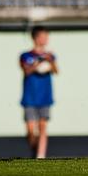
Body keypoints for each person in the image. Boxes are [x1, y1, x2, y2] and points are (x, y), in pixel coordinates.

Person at [19, 25, 58, 159]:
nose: (45, 39)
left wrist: (49, 60)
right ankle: (34, 151)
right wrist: (37, 63)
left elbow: (55, 71)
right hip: (30, 97)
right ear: (35, 38)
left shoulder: (50, 55)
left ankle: (40, 157)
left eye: (46, 37)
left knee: (43, 127)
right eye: (43, 37)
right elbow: (26, 71)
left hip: (45, 97)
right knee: (31, 131)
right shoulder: (25, 56)